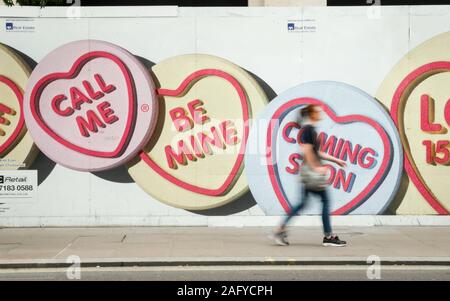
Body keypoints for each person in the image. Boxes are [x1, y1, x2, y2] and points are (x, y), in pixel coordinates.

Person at [270, 104, 348, 247]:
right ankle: (328, 236)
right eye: (318, 111)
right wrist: (316, 168)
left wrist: (335, 160)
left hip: (308, 173)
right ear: (311, 114)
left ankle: (280, 230)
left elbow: (315, 151)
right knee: (324, 201)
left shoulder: (308, 130)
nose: (321, 113)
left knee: (303, 203)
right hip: (311, 174)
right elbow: (307, 151)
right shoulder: (308, 130)